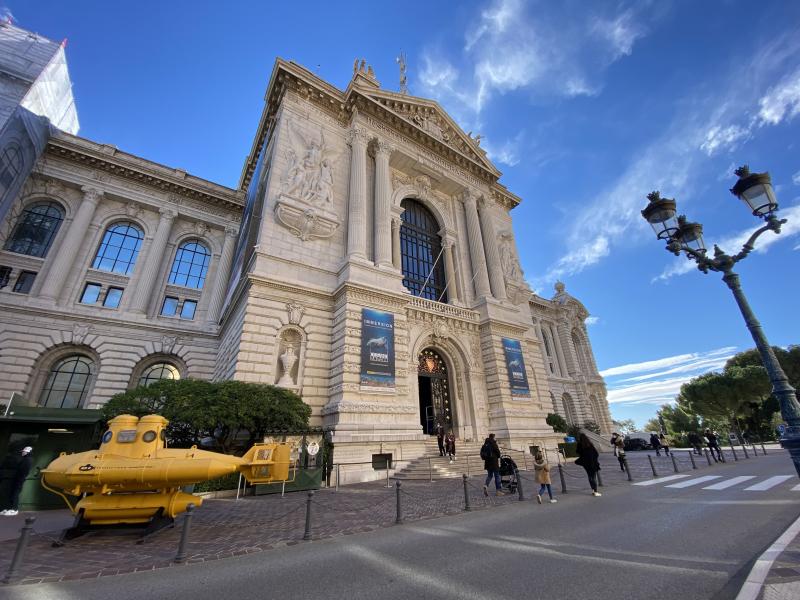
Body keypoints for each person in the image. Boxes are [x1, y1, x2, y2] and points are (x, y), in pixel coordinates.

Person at [1, 446, 33, 516]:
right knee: (12, 493)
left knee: (15, 494)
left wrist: (19, 478)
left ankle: (14, 509)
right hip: (17, 479)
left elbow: (23, 471)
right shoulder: (25, 459)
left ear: (28, 452)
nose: (23, 453)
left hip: (19, 479)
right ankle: (9, 508)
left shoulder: (27, 460)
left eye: (24, 452)